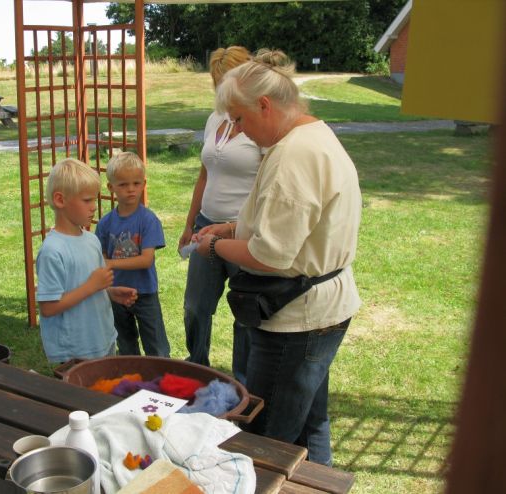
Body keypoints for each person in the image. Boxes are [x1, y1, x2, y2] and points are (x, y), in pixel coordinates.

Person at [194, 49, 362, 466]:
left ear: (264, 105)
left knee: (267, 438)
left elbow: (267, 255)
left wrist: (212, 246)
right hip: (319, 312)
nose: (240, 131)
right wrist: (232, 228)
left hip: (298, 322)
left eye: (241, 119)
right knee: (310, 423)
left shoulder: (293, 155)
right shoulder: (310, 136)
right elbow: (293, 223)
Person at [178, 46, 262, 383]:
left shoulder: (260, 125)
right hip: (205, 227)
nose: (222, 94)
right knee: (196, 306)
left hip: (242, 232)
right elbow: (204, 173)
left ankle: (244, 379)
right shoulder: (215, 118)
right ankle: (197, 366)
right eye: (217, 85)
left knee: (245, 311)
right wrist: (189, 222)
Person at [36, 158, 138, 364]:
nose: (94, 207)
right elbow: (48, 308)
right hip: (75, 351)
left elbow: (88, 285)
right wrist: (93, 286)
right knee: (79, 397)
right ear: (60, 200)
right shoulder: (52, 251)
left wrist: (108, 292)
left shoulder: (91, 240)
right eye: (87, 200)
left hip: (103, 339)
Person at [95, 152, 170, 357]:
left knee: (156, 345)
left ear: (144, 184)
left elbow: (146, 260)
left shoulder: (148, 220)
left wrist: (110, 262)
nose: (130, 189)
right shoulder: (105, 223)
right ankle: (132, 380)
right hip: (116, 293)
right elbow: (98, 258)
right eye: (123, 184)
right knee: (125, 343)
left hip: (145, 292)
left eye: (136, 183)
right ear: (111, 188)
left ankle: (163, 379)